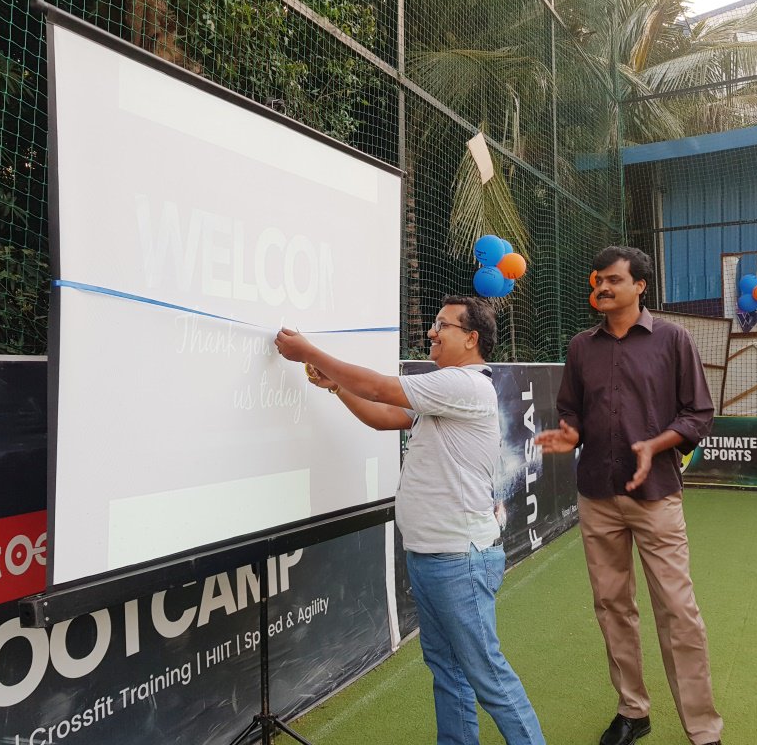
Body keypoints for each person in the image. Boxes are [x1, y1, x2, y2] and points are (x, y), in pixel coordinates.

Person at [275, 295, 546, 745]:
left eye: (444, 325)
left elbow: (382, 389)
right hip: (434, 556)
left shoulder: (466, 384)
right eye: (434, 323)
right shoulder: (447, 388)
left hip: (459, 559)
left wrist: (308, 351)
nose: (432, 332)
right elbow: (384, 417)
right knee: (449, 672)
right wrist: (336, 387)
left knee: (487, 677)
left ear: (472, 338)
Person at [535, 246, 722, 745]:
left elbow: (698, 414)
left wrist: (657, 444)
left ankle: (703, 730)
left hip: (656, 497)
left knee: (678, 611)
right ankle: (633, 711)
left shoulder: (673, 340)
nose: (602, 287)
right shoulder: (581, 347)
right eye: (598, 279)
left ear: (640, 286)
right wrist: (571, 433)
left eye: (614, 280)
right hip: (597, 496)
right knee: (612, 606)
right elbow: (571, 409)